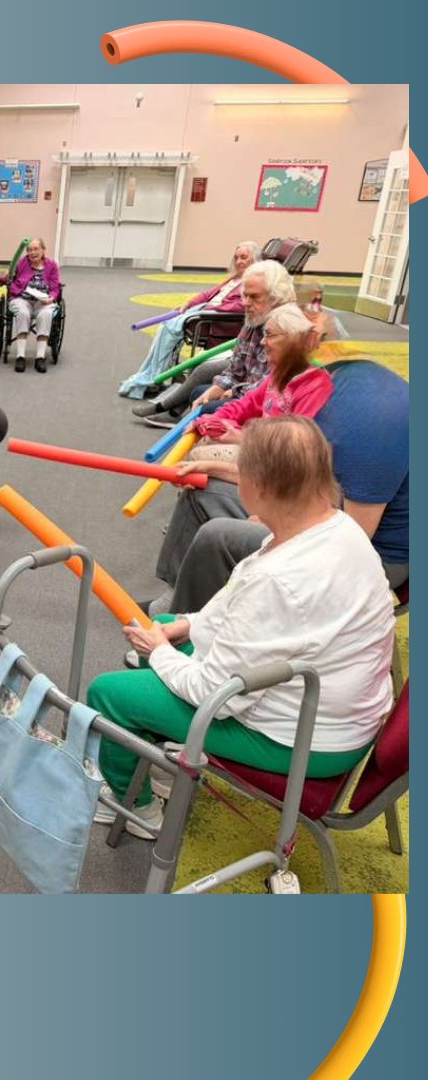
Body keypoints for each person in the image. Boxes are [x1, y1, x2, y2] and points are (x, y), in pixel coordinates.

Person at [89, 416, 395, 837]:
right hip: (337, 714)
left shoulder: (281, 580)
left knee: (109, 694)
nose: (237, 483)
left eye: (242, 472)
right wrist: (184, 625)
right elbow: (243, 606)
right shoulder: (333, 525)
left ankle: (139, 811)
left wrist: (158, 650)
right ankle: (163, 761)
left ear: (262, 487)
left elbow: (219, 695)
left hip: (303, 740)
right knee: (161, 625)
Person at [147, 359, 409, 616]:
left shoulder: (370, 437)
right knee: (205, 490)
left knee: (218, 535)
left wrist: (273, 523)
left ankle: (184, 636)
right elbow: (291, 479)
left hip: (369, 559)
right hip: (320, 517)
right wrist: (215, 469)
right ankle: (175, 600)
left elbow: (348, 544)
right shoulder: (329, 398)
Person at [132, 259, 297, 426]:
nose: (245, 303)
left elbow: (269, 388)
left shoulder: (285, 329)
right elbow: (235, 370)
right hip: (247, 389)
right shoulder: (253, 318)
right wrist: (217, 389)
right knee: (199, 393)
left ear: (276, 297)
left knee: (207, 405)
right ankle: (175, 413)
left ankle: (177, 414)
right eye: (244, 296)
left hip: (266, 407)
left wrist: (233, 391)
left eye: (254, 297)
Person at [119, 240, 262, 399]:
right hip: (206, 312)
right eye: (236, 257)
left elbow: (241, 306)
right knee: (166, 326)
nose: (239, 261)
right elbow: (208, 295)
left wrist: (210, 308)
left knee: (171, 328)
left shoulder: (252, 282)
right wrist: (189, 303)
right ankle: (151, 373)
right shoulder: (234, 278)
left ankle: (154, 376)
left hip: (215, 319)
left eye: (244, 257)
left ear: (255, 260)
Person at [190, 303, 332, 445]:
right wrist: (211, 420)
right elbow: (247, 404)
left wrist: (244, 439)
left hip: (271, 459)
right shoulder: (279, 374)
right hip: (259, 447)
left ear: (293, 340)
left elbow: (294, 445)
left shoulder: (315, 384)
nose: (263, 342)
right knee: (204, 441)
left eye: (269, 335)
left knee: (199, 454)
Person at [0, 237, 62, 373]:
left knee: (46, 314)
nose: (32, 252)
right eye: (30, 250)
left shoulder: (52, 265)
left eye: (36, 249)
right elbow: (3, 281)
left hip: (43, 301)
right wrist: (4, 277)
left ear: (43, 251)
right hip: (22, 298)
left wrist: (51, 298)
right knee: (22, 312)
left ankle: (40, 357)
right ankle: (20, 357)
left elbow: (56, 288)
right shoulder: (21, 263)